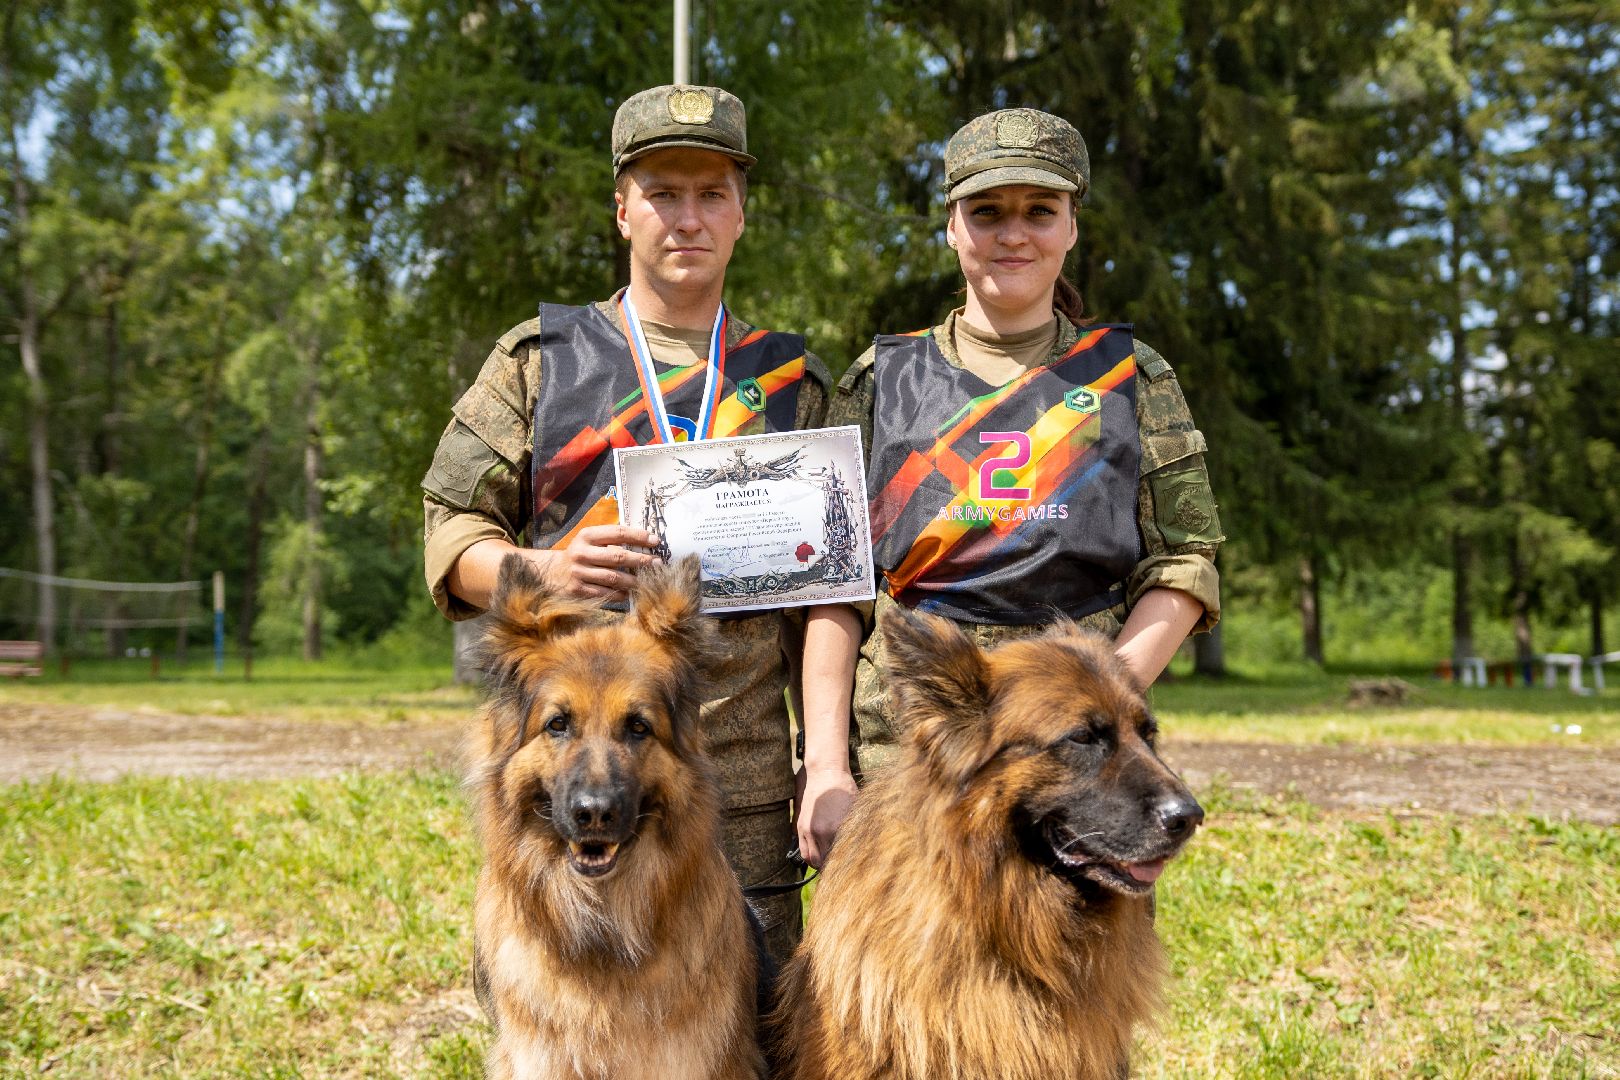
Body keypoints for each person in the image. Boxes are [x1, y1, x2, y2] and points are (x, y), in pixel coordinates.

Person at [420, 84, 830, 963]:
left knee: (748, 1038)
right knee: (578, 1027)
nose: (688, 217)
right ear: (622, 211)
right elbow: (449, 532)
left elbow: (837, 596)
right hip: (581, 779)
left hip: (744, 788)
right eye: (662, 193)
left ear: (741, 214)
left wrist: (824, 761)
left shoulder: (793, 381)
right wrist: (544, 570)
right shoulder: (540, 362)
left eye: (711, 193)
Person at [795, 107, 1224, 868]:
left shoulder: (1131, 377)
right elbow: (837, 590)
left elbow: (1184, 565)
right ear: (953, 228)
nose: (1013, 234)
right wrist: (826, 766)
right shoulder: (881, 381)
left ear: (1072, 228)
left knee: (1075, 980)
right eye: (986, 212)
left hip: (1081, 771)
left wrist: (1093, 705)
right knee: (888, 979)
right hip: (910, 756)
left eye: (1039, 211)